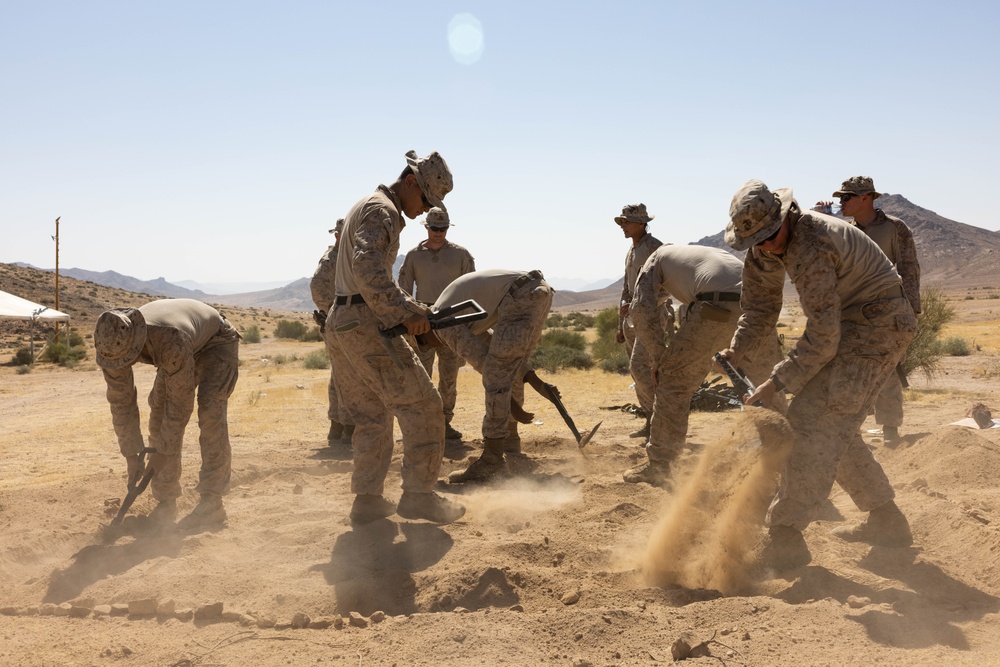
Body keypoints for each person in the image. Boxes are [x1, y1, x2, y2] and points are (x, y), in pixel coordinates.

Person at [720, 179, 917, 571]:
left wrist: (777, 381)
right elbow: (759, 308)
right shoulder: (762, 245)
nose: (766, 246)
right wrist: (738, 349)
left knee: (811, 423)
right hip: (851, 325)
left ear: (784, 216)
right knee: (834, 424)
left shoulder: (812, 243)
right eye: (756, 240)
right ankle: (886, 521)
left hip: (878, 324)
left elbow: (823, 336)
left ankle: (785, 540)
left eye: (770, 236)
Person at [326, 150, 465, 525]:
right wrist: (405, 313)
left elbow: (362, 274)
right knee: (424, 405)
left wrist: (414, 310)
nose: (424, 212)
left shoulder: (366, 204)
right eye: (425, 200)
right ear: (410, 183)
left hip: (342, 321)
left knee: (372, 417)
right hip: (365, 321)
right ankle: (419, 495)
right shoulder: (383, 211)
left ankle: (367, 502)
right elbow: (369, 269)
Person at [622, 244, 785, 486]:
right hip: (756, 311)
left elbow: (642, 310)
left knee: (673, 384)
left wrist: (658, 358)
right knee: (769, 388)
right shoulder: (699, 258)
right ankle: (788, 464)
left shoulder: (653, 261)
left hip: (715, 308)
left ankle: (660, 465)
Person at [94, 298, 241, 529]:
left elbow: (180, 405)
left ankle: (212, 501)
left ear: (136, 343)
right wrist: (132, 454)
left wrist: (163, 451)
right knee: (159, 414)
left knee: (210, 412)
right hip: (183, 345)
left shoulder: (168, 340)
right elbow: (121, 402)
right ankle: (166, 501)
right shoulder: (111, 343)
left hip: (216, 342)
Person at [419, 269, 553, 483]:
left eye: (423, 342)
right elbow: (502, 355)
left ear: (424, 329)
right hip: (537, 291)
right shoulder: (457, 313)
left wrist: (513, 406)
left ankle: (492, 460)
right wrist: (535, 381)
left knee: (497, 373)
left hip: (519, 297)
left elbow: (488, 366)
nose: (431, 346)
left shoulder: (442, 324)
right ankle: (510, 445)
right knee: (507, 364)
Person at [815, 176, 921, 445]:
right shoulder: (840, 229)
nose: (841, 202)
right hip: (849, 309)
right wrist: (818, 218)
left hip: (886, 308)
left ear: (866, 198)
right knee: (843, 369)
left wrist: (910, 310)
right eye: (840, 198)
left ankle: (890, 430)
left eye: (846, 197)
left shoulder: (895, 228)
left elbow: (908, 269)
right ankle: (848, 432)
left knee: (886, 370)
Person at [398, 207, 476, 441]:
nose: (438, 233)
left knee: (449, 374)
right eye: (434, 228)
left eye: (442, 229)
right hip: (422, 320)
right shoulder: (413, 256)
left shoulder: (461, 255)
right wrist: (409, 318)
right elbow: (403, 290)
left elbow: (471, 288)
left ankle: (444, 422)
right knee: (421, 374)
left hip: (451, 319)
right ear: (426, 227)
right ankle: (423, 423)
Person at [614, 203, 664, 442]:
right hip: (631, 320)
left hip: (652, 318)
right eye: (622, 222)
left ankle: (660, 422)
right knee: (638, 373)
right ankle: (650, 421)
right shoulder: (632, 251)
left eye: (627, 222)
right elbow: (626, 286)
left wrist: (639, 306)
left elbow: (665, 284)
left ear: (642, 223)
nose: (623, 226)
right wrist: (619, 323)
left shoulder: (656, 248)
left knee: (643, 369)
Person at [311, 217, 355, 447]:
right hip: (339, 323)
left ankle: (340, 425)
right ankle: (344, 425)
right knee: (344, 375)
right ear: (337, 235)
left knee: (344, 374)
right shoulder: (332, 258)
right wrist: (333, 311)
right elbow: (317, 287)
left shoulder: (352, 254)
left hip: (351, 324)